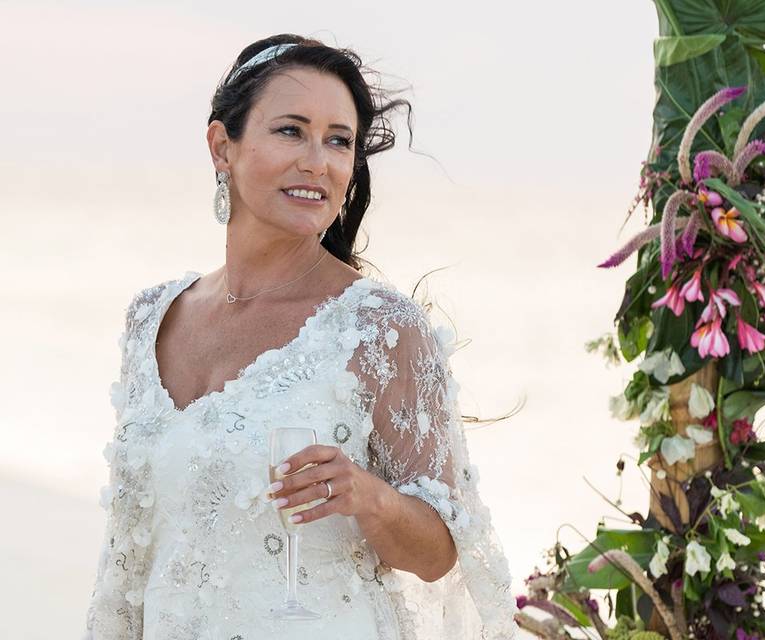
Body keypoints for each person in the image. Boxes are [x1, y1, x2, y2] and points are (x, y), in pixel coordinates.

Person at [82, 34, 518, 639]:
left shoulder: (377, 327)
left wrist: (371, 497)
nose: (318, 160)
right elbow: (128, 554)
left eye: (339, 141)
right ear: (221, 146)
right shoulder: (151, 318)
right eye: (291, 130)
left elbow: (441, 550)